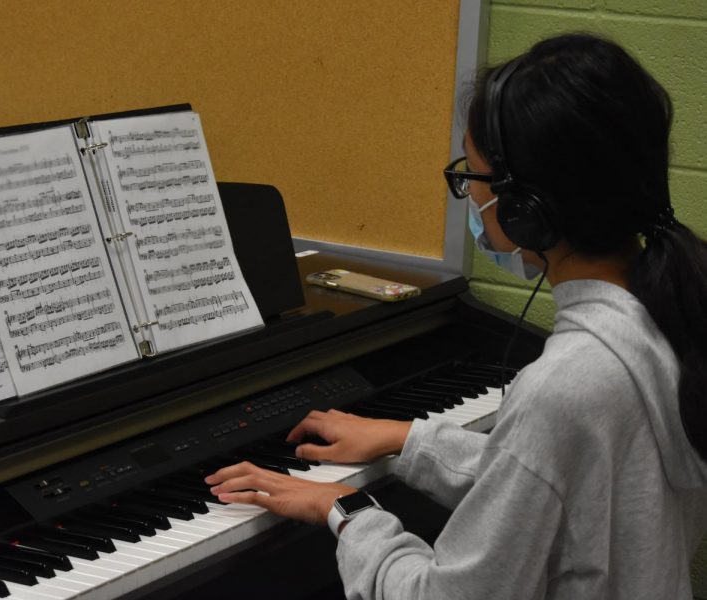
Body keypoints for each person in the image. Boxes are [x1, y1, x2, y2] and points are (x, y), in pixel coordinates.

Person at [205, 33, 707, 599]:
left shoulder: (566, 386)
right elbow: (541, 483)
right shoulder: (663, 316)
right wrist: (408, 439)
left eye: (473, 177)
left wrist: (346, 512)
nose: (470, 195)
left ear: (526, 209)